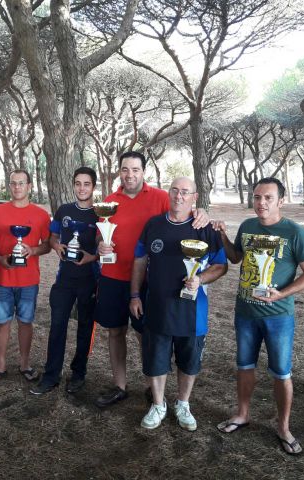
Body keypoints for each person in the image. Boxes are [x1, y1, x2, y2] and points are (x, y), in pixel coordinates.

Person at [213, 177, 304, 455]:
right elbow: (236, 258)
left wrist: (281, 294)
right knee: (244, 366)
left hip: (278, 316)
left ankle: (283, 427)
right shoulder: (248, 226)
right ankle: (242, 414)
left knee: (282, 372)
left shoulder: (295, 232)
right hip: (245, 312)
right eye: (257, 197)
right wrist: (223, 235)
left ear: (281, 201)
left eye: (268, 198)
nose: (261, 203)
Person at [95, 151, 209, 408]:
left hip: (147, 281)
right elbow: (99, 235)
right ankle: (120, 386)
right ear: (120, 172)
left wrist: (202, 211)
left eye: (135, 169)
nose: (130, 174)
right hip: (113, 277)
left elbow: (184, 211)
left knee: (146, 333)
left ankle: (151, 387)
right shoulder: (109, 200)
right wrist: (101, 244)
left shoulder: (159, 197)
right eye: (125, 169)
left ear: (143, 172)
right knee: (115, 331)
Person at [130, 177, 227, 430]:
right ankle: (159, 404)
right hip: (157, 307)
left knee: (189, 361)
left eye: (185, 192)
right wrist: (135, 295)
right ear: (168, 193)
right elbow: (139, 261)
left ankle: (183, 403)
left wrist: (201, 278)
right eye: (175, 190)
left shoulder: (205, 228)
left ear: (195, 197)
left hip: (193, 311)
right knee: (155, 360)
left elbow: (221, 266)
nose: (179, 196)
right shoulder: (153, 225)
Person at [30, 167, 99, 395]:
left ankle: (78, 374)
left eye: (86, 184)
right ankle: (51, 376)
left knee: (85, 327)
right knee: (57, 326)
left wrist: (93, 257)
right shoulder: (64, 210)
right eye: (78, 183)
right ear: (73, 185)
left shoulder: (101, 214)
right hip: (65, 279)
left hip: (90, 279)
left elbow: (105, 246)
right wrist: (57, 245)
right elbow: (53, 236)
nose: (82, 188)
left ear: (93, 186)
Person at [0, 169, 51, 383]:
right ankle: (1, 364)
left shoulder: (40, 215)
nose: (17, 187)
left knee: (26, 322)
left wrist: (33, 250)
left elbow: (48, 244)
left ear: (29, 186)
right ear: (8, 186)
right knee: (2, 322)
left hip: (28, 281)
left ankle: (24, 363)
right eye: (13, 183)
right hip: (2, 279)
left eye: (21, 183)